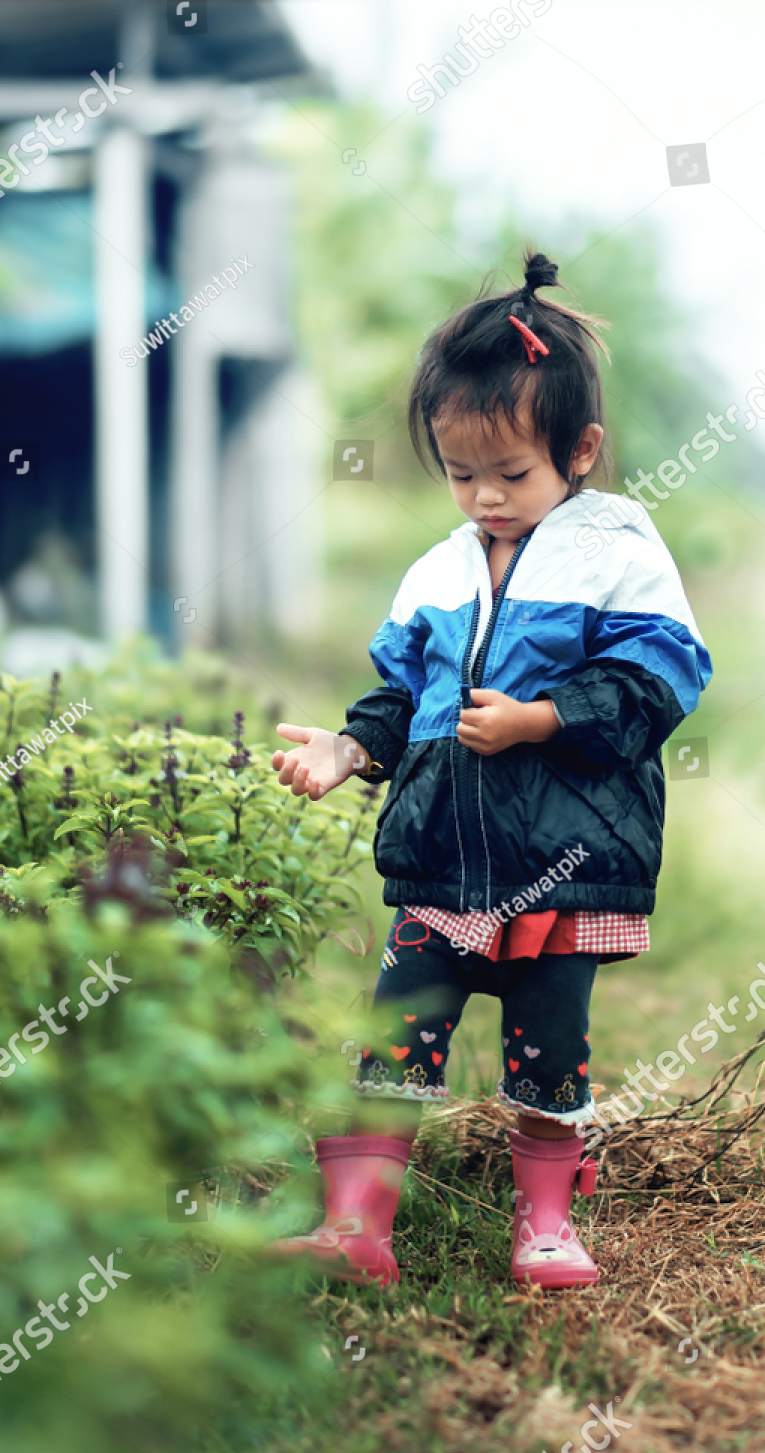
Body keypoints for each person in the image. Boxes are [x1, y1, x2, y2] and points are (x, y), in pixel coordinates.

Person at [270, 251, 712, 1290]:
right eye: (461, 472)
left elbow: (658, 682)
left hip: (563, 859)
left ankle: (548, 1225)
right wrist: (349, 748)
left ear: (581, 450)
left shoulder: (618, 554)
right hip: (443, 862)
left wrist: (539, 720)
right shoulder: (440, 571)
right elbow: (402, 696)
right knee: (396, 1036)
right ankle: (356, 1226)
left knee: (546, 1045)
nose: (484, 497)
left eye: (510, 474)